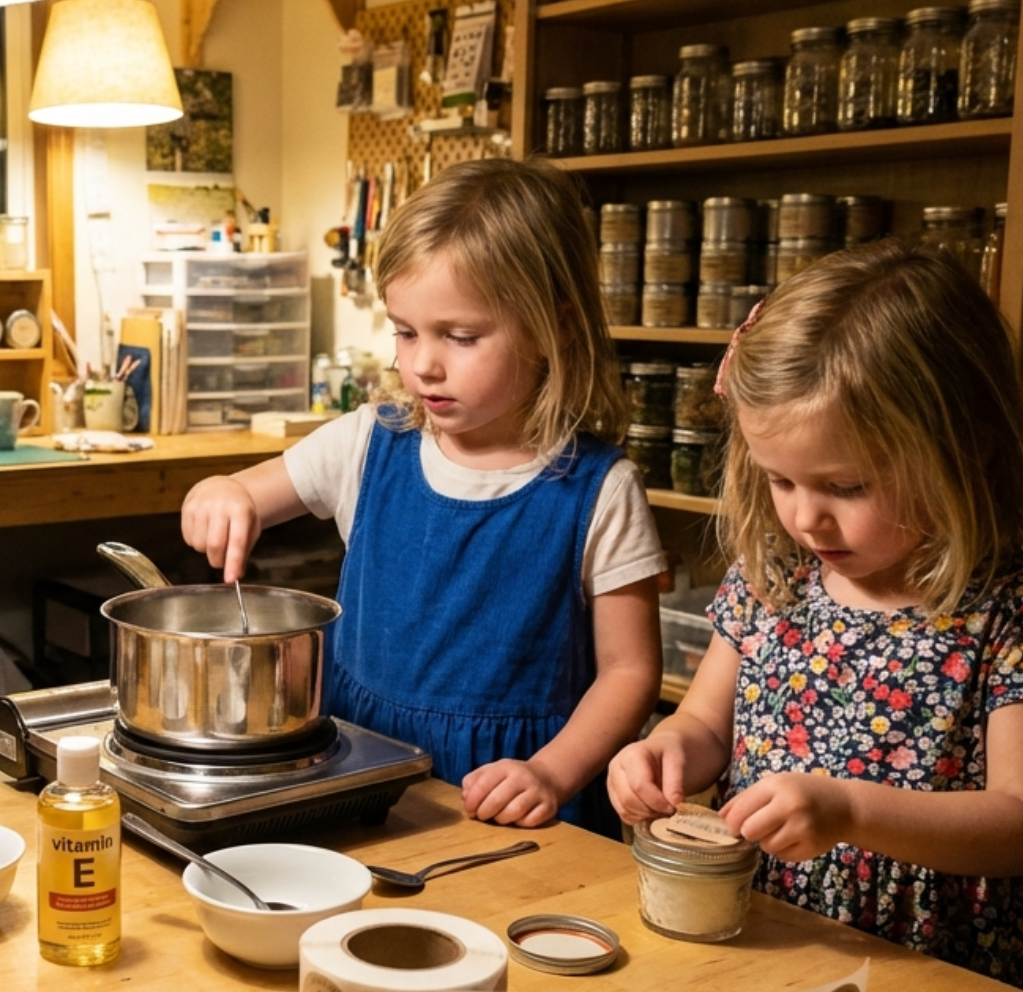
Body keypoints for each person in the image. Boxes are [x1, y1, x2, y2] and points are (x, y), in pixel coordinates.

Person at [608, 240, 1023, 990]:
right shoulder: (773, 580)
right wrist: (661, 751)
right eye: (781, 480)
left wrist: (849, 811)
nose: (809, 519)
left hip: (929, 962)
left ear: (969, 448)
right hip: (764, 931)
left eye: (849, 486)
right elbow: (705, 726)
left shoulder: (1022, 618)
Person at [182, 159, 665, 830]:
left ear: (553, 327)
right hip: (359, 774)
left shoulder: (600, 490)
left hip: (511, 802)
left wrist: (550, 772)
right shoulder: (365, 444)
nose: (422, 364)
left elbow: (631, 673)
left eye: (460, 337)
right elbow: (241, 493)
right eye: (405, 331)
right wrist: (219, 492)